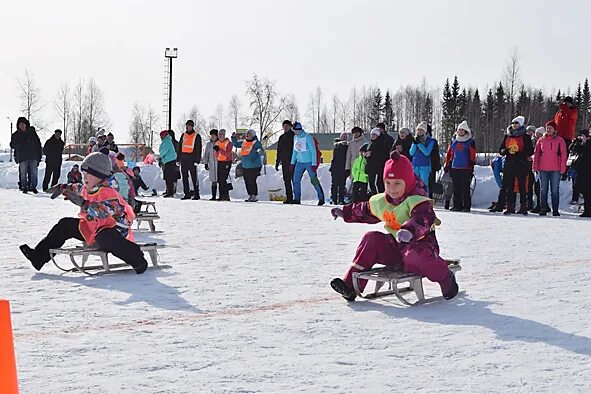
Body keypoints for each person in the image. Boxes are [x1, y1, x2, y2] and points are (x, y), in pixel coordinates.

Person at [329, 151, 458, 302]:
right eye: (388, 183)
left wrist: (409, 231)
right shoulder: (382, 201)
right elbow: (363, 210)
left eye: (397, 183)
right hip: (396, 247)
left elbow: (423, 218)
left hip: (421, 246)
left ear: (408, 182)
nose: (392, 188)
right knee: (371, 238)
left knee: (415, 257)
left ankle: (445, 278)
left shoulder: (418, 201)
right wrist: (344, 212)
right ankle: (351, 286)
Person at [19, 152, 148, 274]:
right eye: (83, 173)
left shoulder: (110, 192)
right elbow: (75, 187)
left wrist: (85, 204)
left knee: (105, 238)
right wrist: (62, 187)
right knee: (65, 225)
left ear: (100, 175)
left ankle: (137, 259)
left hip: (114, 230)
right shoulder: (88, 187)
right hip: (94, 227)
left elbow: (104, 212)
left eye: (88, 174)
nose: (84, 177)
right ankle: (38, 257)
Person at [499, 116, 534, 215]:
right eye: (513, 123)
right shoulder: (507, 136)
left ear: (521, 124)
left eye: (516, 123)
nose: (514, 125)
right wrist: (506, 151)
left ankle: (523, 207)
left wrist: (519, 152)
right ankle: (510, 206)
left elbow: (530, 151)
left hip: (521, 163)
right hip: (509, 163)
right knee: (509, 186)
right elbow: (501, 150)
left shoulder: (525, 137)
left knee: (522, 185)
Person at [533, 121, 567, 216]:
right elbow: (536, 154)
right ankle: (543, 208)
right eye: (547, 128)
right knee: (543, 190)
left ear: (555, 130)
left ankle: (555, 210)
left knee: (555, 190)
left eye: (550, 128)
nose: (548, 130)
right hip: (542, 168)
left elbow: (564, 155)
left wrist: (562, 168)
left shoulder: (560, 140)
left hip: (555, 169)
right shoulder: (541, 140)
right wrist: (535, 166)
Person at [444, 121, 476, 212]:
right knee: (456, 188)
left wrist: (471, 164)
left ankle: (466, 206)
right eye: (459, 130)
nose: (461, 132)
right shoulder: (454, 141)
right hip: (455, 167)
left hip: (465, 168)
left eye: (462, 130)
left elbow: (472, 154)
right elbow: (449, 153)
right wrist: (447, 164)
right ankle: (457, 205)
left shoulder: (470, 142)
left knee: (465, 188)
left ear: (466, 131)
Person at [290, 122, 325, 205]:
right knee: (295, 180)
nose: (294, 132)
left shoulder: (308, 137)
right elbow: (294, 150)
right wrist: (292, 163)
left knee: (313, 180)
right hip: (299, 162)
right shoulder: (295, 137)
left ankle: (321, 198)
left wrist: (314, 164)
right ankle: (297, 198)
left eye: (294, 130)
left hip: (309, 162)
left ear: (299, 130)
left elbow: (313, 151)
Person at [10, 117, 42, 194]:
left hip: (33, 156)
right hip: (22, 157)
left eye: (23, 124)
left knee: (34, 173)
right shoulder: (16, 135)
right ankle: (24, 187)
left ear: (26, 124)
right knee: (23, 173)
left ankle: (33, 187)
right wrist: (18, 146)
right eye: (20, 124)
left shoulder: (32, 133)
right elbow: (12, 145)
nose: (22, 126)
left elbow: (38, 145)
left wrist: (39, 157)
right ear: (18, 125)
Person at [232, 129, 265, 202]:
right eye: (247, 134)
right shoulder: (244, 142)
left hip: (255, 165)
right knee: (247, 180)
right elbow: (236, 144)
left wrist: (260, 151)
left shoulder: (256, 143)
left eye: (249, 134)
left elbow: (262, 151)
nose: (247, 135)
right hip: (245, 165)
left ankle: (254, 195)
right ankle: (250, 195)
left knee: (252, 180)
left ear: (253, 135)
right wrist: (233, 137)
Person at [177, 120, 202, 200]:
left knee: (194, 177)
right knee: (184, 177)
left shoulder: (196, 136)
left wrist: (197, 160)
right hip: (184, 158)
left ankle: (196, 194)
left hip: (192, 159)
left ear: (192, 126)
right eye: (187, 126)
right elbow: (179, 147)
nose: (188, 127)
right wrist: (178, 159)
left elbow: (199, 148)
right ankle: (186, 194)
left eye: (189, 126)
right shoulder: (183, 135)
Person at [569, 129, 591, 217]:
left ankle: (588, 210)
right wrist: (577, 140)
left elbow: (584, 151)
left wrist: (585, 142)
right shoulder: (582, 142)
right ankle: (587, 209)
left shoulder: (588, 144)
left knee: (587, 190)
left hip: (588, 169)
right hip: (582, 169)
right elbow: (572, 148)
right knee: (580, 187)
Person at [409, 121, 435, 193]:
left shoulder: (430, 141)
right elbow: (411, 153)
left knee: (423, 184)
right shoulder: (415, 139)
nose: (419, 131)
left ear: (425, 131)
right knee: (414, 183)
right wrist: (414, 144)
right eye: (418, 130)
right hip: (415, 165)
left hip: (424, 165)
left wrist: (419, 144)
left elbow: (427, 152)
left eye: (421, 130)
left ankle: (424, 198)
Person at [276, 120, 295, 204]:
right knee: (286, 180)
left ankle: (297, 197)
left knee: (295, 180)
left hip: (293, 161)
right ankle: (289, 197)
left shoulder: (294, 136)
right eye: (284, 126)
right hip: (284, 162)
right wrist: (277, 161)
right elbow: (279, 150)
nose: (285, 127)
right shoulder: (281, 137)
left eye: (287, 125)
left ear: (290, 126)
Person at [365, 128, 389, 195]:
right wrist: (366, 155)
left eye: (374, 135)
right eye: (372, 134)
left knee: (377, 183)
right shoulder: (371, 144)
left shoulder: (381, 143)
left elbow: (381, 154)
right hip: (371, 167)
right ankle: (374, 196)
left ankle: (379, 196)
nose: (373, 136)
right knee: (371, 184)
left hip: (377, 168)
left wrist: (371, 153)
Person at [214, 129, 234, 201]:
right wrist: (216, 151)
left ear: (224, 135)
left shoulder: (229, 143)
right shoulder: (218, 142)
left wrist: (218, 150)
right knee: (219, 179)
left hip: (227, 162)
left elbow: (227, 154)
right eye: (219, 134)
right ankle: (221, 195)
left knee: (223, 179)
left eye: (221, 134)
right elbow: (216, 154)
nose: (220, 136)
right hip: (220, 162)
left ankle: (225, 195)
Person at [329, 132, 349, 205]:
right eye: (343, 136)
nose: (344, 138)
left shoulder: (348, 147)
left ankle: (341, 200)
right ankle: (334, 199)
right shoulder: (336, 146)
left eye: (345, 137)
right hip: (335, 168)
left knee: (342, 185)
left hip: (344, 168)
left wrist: (348, 169)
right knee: (334, 185)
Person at [158, 130, 178, 198]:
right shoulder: (166, 141)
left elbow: (164, 150)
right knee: (167, 176)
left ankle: (170, 192)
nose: (161, 137)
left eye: (161, 135)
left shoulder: (167, 141)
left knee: (169, 177)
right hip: (167, 161)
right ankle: (169, 191)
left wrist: (160, 156)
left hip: (170, 160)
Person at [203, 129, 219, 200]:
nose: (212, 137)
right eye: (211, 135)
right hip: (212, 165)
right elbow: (206, 154)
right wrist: (206, 163)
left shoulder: (219, 143)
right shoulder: (208, 144)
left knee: (220, 180)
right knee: (213, 180)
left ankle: (222, 195)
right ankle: (213, 196)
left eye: (214, 135)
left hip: (219, 164)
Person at [427, 125, 442, 198]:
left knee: (430, 184)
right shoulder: (417, 141)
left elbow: (435, 154)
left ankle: (429, 198)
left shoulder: (432, 141)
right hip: (421, 165)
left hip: (431, 166)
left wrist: (437, 165)